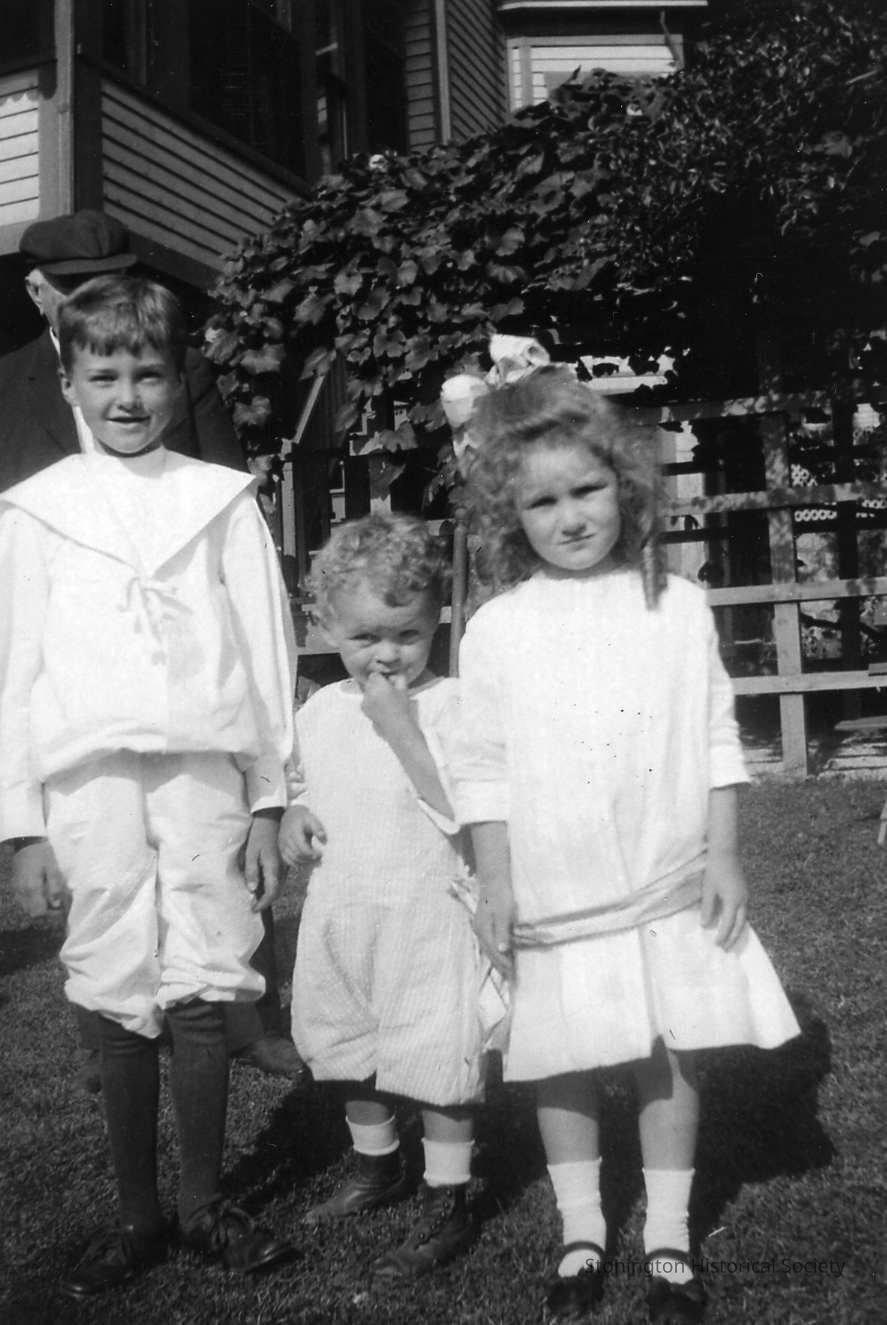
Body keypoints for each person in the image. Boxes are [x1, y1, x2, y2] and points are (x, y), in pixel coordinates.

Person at [449, 366, 800, 1323]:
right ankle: (581, 1229)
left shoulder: (675, 605)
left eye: (587, 490)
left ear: (626, 484)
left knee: (665, 1043)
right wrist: (495, 879)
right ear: (509, 515)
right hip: (552, 875)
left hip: (662, 868)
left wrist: (723, 852)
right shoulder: (498, 628)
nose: (570, 518)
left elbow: (715, 734)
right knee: (560, 1050)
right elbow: (481, 768)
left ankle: (669, 1233)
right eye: (543, 502)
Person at [0, 276, 298, 1298]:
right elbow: (12, 668)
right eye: (104, 375)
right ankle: (138, 1216)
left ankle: (206, 1202)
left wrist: (270, 796)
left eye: (148, 374)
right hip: (88, 776)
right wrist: (22, 825)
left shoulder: (217, 499)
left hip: (203, 765)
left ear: (179, 380)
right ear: (69, 383)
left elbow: (266, 651)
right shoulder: (37, 510)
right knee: (114, 970)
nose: (126, 396)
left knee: (207, 964)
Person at [279, 514, 483, 1279]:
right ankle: (377, 1164)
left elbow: (463, 806)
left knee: (434, 1048)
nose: (386, 654)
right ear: (327, 626)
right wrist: (295, 812)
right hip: (342, 907)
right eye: (365, 637)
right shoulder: (321, 709)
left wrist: (401, 728)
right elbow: (300, 784)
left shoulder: (452, 704)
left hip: (427, 911)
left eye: (406, 634)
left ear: (435, 619)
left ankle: (449, 1194)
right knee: (343, 1040)